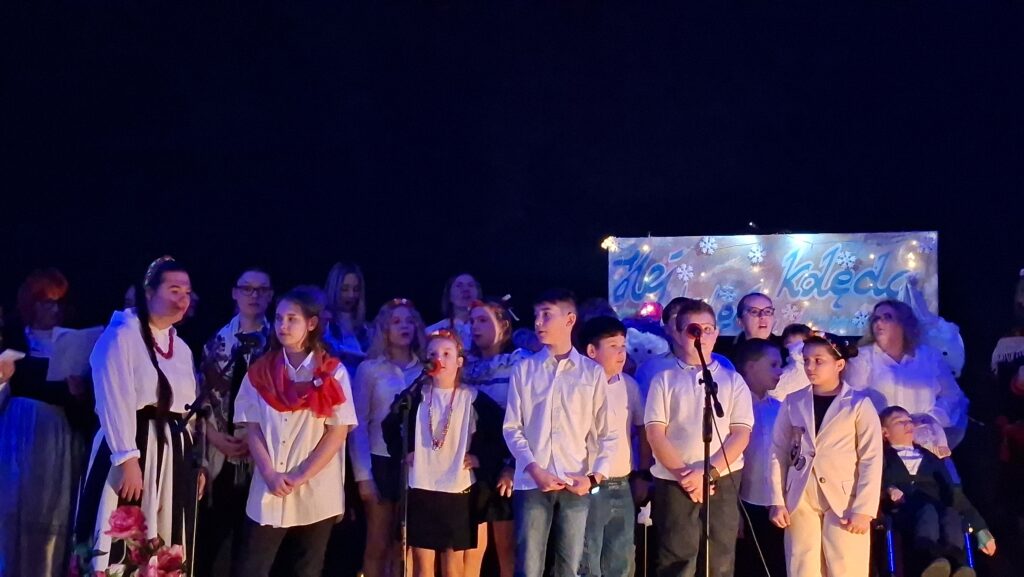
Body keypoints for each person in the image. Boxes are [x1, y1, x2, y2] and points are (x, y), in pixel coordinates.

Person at [75, 256, 204, 572]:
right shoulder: (122, 336)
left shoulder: (181, 348)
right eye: (174, 290)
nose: (182, 299)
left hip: (171, 456)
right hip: (134, 447)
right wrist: (126, 458)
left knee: (165, 538)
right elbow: (113, 398)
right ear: (149, 292)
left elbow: (188, 411)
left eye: (187, 292)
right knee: (122, 538)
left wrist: (194, 463)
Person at [231, 286, 357, 577]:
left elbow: (337, 433)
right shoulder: (261, 371)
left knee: (306, 569)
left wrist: (300, 476)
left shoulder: (332, 373)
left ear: (311, 324)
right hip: (270, 485)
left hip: (315, 489)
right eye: (278, 318)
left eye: (292, 319)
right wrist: (270, 473)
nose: (283, 326)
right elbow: (253, 427)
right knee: (251, 567)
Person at [503, 289, 618, 577]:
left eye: (546, 315)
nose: (538, 322)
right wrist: (534, 468)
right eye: (536, 315)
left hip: (575, 479)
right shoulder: (525, 370)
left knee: (570, 566)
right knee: (528, 567)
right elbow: (512, 427)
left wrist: (593, 477)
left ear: (569, 319)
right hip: (532, 481)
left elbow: (607, 432)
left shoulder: (591, 373)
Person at [644, 299, 753, 577]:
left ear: (716, 333)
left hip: (722, 477)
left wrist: (708, 472)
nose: (701, 336)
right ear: (679, 334)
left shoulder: (732, 380)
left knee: (720, 555)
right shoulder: (664, 380)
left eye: (708, 329)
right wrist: (686, 475)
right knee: (677, 556)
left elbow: (740, 433)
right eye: (694, 329)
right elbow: (655, 433)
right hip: (676, 479)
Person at [383, 330, 504, 577]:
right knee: (422, 563)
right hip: (421, 485)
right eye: (433, 354)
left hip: (457, 488)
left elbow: (502, 431)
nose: (439, 359)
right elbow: (389, 425)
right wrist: (404, 452)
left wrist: (481, 458)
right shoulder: (416, 396)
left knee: (452, 562)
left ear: (459, 361)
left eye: (447, 353)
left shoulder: (472, 398)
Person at [0, 269, 93, 577]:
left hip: (58, 436)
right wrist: (3, 378)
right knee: (15, 507)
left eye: (58, 303)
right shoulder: (14, 337)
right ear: (31, 304)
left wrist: (79, 392)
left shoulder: (71, 342)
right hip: (21, 431)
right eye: (46, 302)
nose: (54, 309)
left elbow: (85, 410)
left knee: (52, 512)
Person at [769, 335, 883, 577]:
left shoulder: (858, 404)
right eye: (806, 360)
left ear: (839, 365)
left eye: (818, 361)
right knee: (802, 565)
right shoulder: (793, 401)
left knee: (846, 565)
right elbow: (778, 451)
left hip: (844, 499)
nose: (810, 367)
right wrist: (777, 500)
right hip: (801, 495)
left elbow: (871, 458)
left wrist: (864, 509)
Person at [196, 266, 274, 576]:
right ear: (234, 293)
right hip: (220, 452)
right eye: (247, 288)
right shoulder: (216, 343)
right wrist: (215, 437)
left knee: (250, 548)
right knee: (210, 541)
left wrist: (255, 440)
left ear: (270, 296)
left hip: (262, 457)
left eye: (262, 290)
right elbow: (199, 399)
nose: (254, 295)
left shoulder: (277, 343)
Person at [351, 298, 428, 577]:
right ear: (384, 329)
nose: (404, 327)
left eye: (409, 321)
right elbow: (358, 424)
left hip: (415, 463)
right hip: (380, 461)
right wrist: (363, 476)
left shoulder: (425, 370)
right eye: (396, 322)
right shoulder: (370, 369)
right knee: (378, 542)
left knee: (404, 546)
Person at [879, 406, 995, 577]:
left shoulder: (931, 458)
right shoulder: (882, 458)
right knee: (928, 512)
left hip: (937, 507)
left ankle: (957, 566)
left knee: (951, 514)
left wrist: (980, 529)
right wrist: (889, 489)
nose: (908, 424)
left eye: (909, 420)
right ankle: (928, 563)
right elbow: (874, 482)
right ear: (885, 432)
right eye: (899, 421)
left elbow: (954, 494)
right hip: (904, 510)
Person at [846, 300, 969, 454]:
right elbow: (852, 399)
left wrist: (929, 419)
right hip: (881, 445)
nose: (879, 322)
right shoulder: (862, 358)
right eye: (876, 318)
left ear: (903, 323)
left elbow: (952, 395)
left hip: (927, 444)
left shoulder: (929, 356)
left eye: (887, 317)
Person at [577, 316, 647, 577]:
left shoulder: (629, 385)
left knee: (622, 556)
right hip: (589, 483)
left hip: (622, 481)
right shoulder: (577, 386)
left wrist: (642, 474)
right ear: (591, 351)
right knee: (587, 556)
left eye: (623, 346)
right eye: (613, 346)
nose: (621, 353)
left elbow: (643, 429)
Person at [463, 299, 525, 577]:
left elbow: (526, 418)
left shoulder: (519, 363)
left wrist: (512, 465)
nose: (476, 327)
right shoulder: (466, 366)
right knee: (470, 548)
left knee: (506, 548)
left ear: (504, 325)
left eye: (483, 320)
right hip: (474, 462)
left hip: (505, 461)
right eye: (472, 321)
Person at [732, 337, 786, 577]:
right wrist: (734, 510)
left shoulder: (780, 408)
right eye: (773, 365)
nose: (780, 371)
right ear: (751, 367)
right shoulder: (731, 407)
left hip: (775, 504)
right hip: (744, 503)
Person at [324, 262, 372, 373]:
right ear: (334, 289)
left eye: (356, 289)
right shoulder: (324, 325)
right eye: (344, 289)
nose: (351, 295)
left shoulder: (367, 329)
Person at [426, 273, 481, 348]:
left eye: (470, 285)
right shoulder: (433, 331)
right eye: (459, 286)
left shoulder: (489, 327)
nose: (466, 289)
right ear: (449, 295)